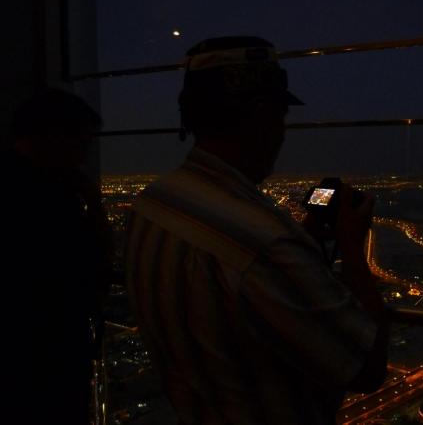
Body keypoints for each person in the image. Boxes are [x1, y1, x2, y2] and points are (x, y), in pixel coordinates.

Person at [126, 36, 389, 425]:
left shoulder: (152, 203)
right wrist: (352, 249)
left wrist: (306, 238)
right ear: (262, 116)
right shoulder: (266, 242)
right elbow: (367, 367)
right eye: (281, 117)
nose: (282, 132)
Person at [2, 88, 111, 424]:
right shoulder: (49, 196)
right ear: (52, 137)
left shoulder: (37, 186)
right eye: (81, 142)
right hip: (45, 361)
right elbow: (86, 269)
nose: (85, 153)